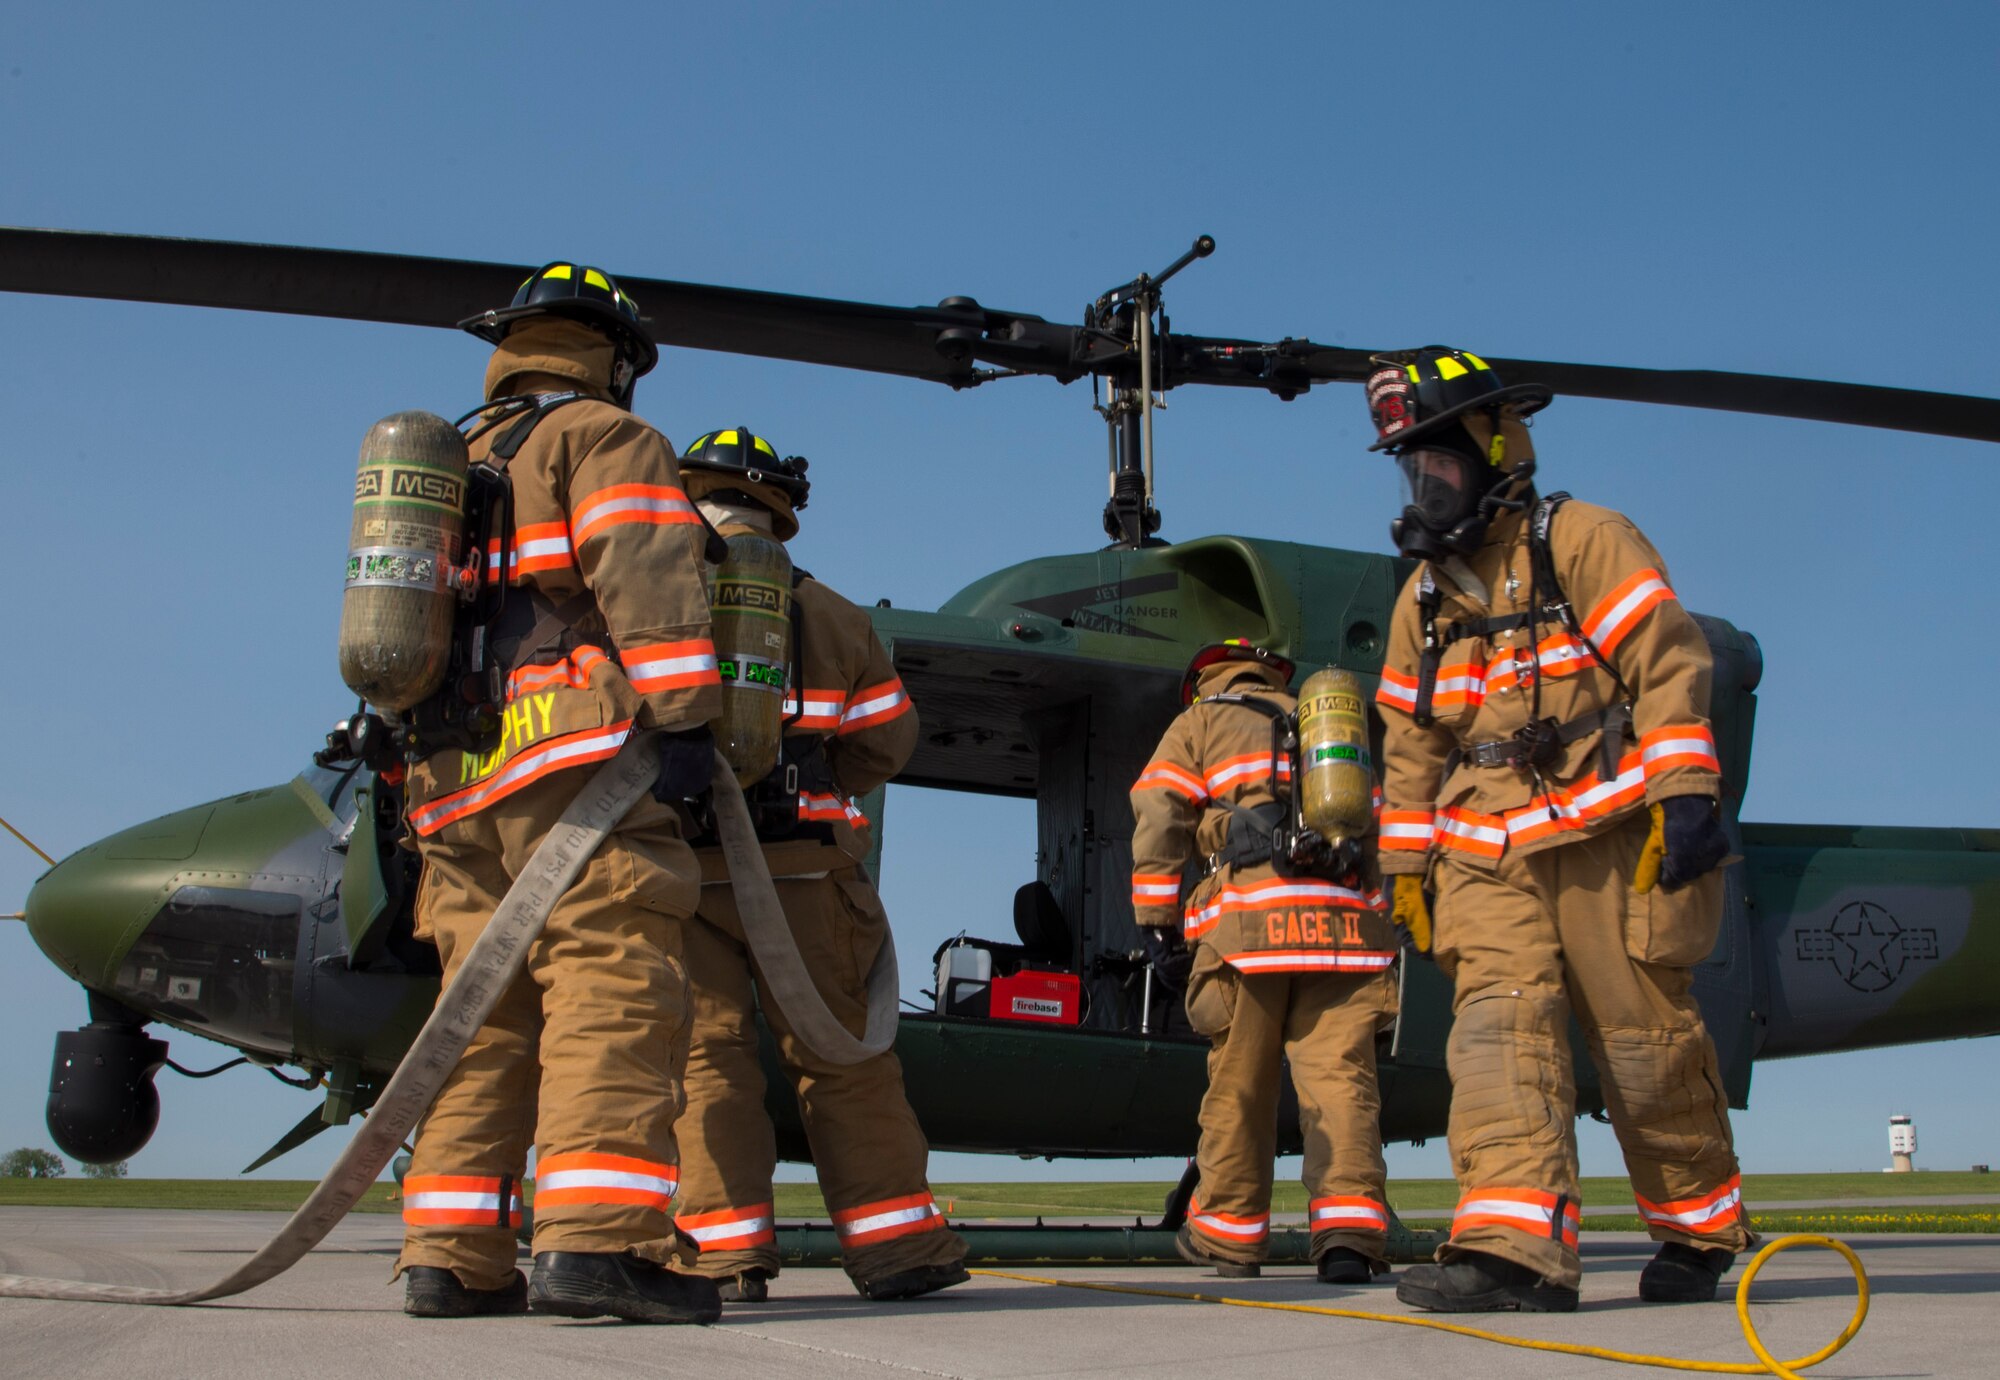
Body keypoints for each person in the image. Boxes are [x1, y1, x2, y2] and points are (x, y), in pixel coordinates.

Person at [1366, 348, 1753, 1312]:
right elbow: (1410, 744)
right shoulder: (1421, 597)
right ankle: (1512, 1251)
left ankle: (1698, 1233)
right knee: (1499, 1029)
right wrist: (1405, 864)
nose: (1428, 485)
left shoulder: (1584, 539)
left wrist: (1688, 794)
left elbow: (1669, 665)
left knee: (1644, 1042)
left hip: (1609, 832)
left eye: (1440, 464)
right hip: (1487, 849)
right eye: (1413, 469)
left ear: (1496, 448)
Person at [395, 263, 725, 1323]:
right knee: (612, 986)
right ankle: (597, 1245)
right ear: (616, 357)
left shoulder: (452, 457)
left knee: (478, 1013)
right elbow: (647, 573)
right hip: (571, 761)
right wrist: (683, 722)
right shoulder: (601, 437)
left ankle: (450, 1256)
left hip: (447, 781)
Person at [666, 427, 969, 1303]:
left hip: (689, 874)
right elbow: (888, 741)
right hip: (803, 875)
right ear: (780, 511)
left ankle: (724, 1254)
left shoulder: (653, 593)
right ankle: (897, 1251)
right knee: (841, 1058)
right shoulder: (835, 616)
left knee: (707, 1061)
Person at [1129, 640, 1399, 1284]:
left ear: (1204, 681)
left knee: (1241, 1085)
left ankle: (1228, 1236)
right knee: (1340, 1084)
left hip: (1252, 928)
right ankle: (1350, 1238)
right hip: (1343, 931)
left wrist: (1157, 924)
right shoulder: (1326, 730)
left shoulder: (1200, 721)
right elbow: (1375, 833)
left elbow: (1158, 812)